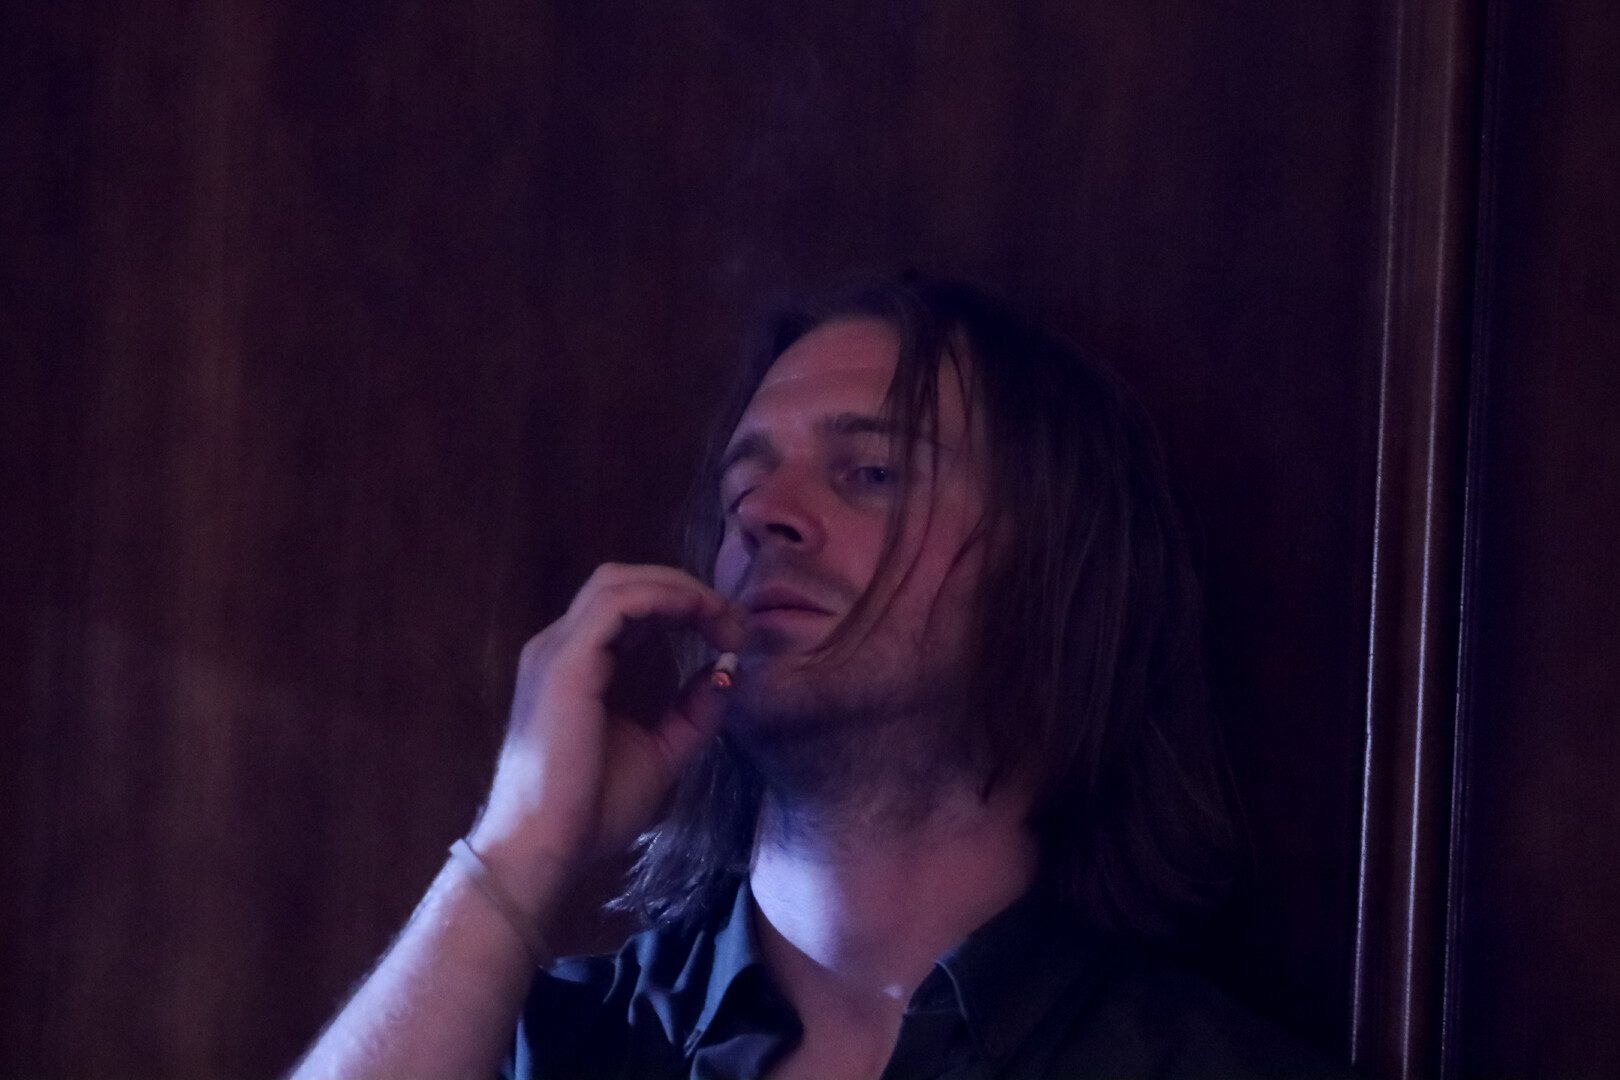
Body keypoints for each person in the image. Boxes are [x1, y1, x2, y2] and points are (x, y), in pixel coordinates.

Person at [291, 276, 1345, 1079]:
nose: (763, 516)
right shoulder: (555, 1045)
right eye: (742, 489)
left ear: (1057, 570)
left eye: (870, 473)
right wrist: (518, 849)